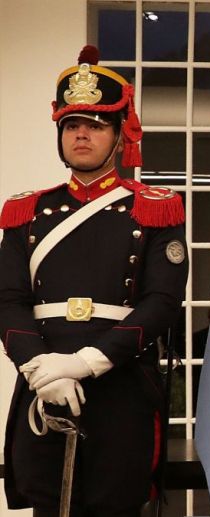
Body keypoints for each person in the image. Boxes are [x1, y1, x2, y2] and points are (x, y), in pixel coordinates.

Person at [0, 45, 188, 516]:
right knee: (48, 503)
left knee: (115, 504)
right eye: (72, 126)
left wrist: (85, 362)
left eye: (97, 125)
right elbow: (8, 301)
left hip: (119, 387)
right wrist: (38, 368)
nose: (81, 134)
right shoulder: (26, 212)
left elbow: (162, 303)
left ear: (121, 135)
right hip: (43, 383)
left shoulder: (154, 208)